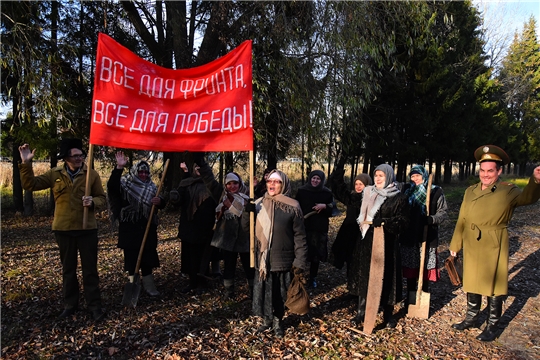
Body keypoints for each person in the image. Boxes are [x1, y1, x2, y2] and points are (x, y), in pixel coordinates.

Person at [449, 145, 540, 342]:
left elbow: (528, 198)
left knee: (494, 285)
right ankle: (472, 318)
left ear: (499, 171)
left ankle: (492, 326)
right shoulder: (469, 191)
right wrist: (456, 244)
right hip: (472, 242)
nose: (485, 175)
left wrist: (536, 180)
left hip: (494, 242)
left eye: (490, 171)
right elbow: (462, 219)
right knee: (471, 280)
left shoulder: (508, 191)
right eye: (482, 170)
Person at [18, 139, 107, 321]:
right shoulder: (55, 174)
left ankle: (94, 306)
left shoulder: (91, 174)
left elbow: (102, 198)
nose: (79, 159)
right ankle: (70, 305)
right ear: (66, 158)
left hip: (87, 229)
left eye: (81, 155)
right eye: (75, 156)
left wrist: (93, 202)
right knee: (68, 270)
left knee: (90, 270)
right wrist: (26, 163)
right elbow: (31, 185)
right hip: (64, 229)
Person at [352, 164, 409, 329]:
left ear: (389, 178)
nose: (377, 179)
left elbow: (404, 222)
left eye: (381, 176)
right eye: (376, 175)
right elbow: (348, 199)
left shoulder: (399, 198)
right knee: (366, 276)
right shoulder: (368, 193)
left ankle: (388, 314)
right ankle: (361, 312)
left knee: (387, 278)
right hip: (367, 242)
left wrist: (385, 222)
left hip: (388, 245)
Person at [252, 170, 308, 337]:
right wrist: (247, 214)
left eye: (277, 182)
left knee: (278, 292)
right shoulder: (259, 204)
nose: (272, 185)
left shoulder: (292, 206)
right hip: (263, 257)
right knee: (265, 291)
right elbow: (247, 230)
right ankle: (267, 320)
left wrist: (300, 260)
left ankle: (278, 321)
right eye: (270, 181)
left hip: (282, 257)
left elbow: (300, 236)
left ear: (283, 185)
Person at [194, 153, 255, 300]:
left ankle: (254, 292)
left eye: (235, 183)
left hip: (246, 238)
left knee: (249, 267)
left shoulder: (249, 195)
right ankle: (229, 292)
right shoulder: (221, 195)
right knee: (229, 266)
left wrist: (253, 208)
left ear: (240, 184)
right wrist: (201, 164)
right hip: (228, 238)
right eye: (229, 184)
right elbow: (209, 180)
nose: (232, 186)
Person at [107, 151, 165, 297]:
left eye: (146, 172)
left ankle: (150, 287)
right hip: (130, 232)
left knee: (147, 260)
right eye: (141, 172)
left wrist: (160, 202)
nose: (144, 175)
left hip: (147, 230)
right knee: (132, 262)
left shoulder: (152, 187)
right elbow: (112, 187)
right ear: (135, 172)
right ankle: (133, 288)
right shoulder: (125, 184)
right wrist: (119, 167)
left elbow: (160, 202)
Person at [400, 165, 448, 304]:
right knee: (410, 267)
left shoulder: (435, 191)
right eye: (412, 176)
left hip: (427, 235)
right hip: (409, 235)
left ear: (424, 176)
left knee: (424, 266)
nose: (415, 179)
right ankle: (410, 295)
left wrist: (431, 219)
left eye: (418, 176)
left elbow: (443, 212)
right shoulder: (406, 190)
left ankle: (423, 293)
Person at [169, 160, 218, 293]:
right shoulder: (186, 183)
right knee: (190, 257)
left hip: (205, 227)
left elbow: (218, 202)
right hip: (189, 227)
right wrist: (174, 197)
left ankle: (203, 283)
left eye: (200, 167)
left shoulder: (211, 185)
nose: (198, 169)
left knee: (204, 257)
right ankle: (192, 283)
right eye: (196, 167)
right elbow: (178, 200)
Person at [329, 162, 372, 293]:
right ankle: (352, 289)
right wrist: (339, 171)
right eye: (357, 184)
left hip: (363, 234)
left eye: (362, 184)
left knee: (361, 264)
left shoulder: (371, 199)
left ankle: (361, 292)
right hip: (349, 233)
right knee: (349, 261)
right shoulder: (352, 197)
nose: (359, 187)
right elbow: (339, 190)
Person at [295, 170, 335, 288]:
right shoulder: (302, 191)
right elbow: (296, 205)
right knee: (302, 252)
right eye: (313, 178)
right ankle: (299, 276)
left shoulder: (326, 193)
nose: (315, 181)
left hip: (319, 228)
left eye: (318, 179)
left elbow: (333, 209)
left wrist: (325, 206)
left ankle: (313, 277)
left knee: (316, 255)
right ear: (310, 178)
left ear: (322, 180)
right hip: (304, 227)